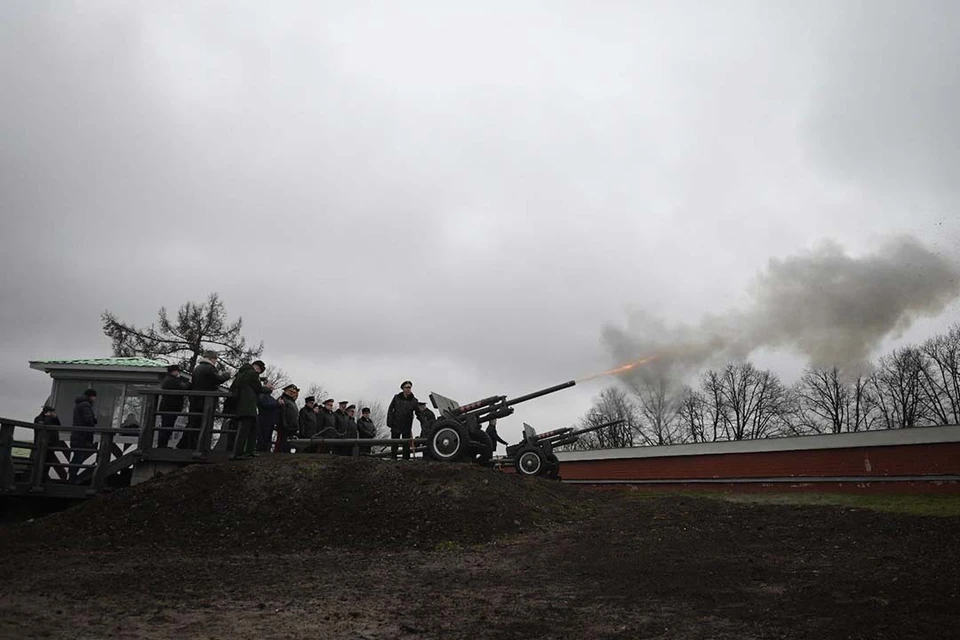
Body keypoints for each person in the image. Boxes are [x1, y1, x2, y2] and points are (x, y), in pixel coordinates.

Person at [183, 351, 230, 451]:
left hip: (195, 399)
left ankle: (185, 444)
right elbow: (217, 379)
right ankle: (199, 446)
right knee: (203, 423)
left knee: (193, 423)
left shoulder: (197, 368)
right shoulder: (209, 368)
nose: (216, 361)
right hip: (205, 401)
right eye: (215, 358)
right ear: (211, 358)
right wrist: (226, 375)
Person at [228, 360, 272, 458]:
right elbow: (258, 388)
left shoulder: (241, 374)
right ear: (256, 367)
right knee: (245, 431)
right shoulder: (252, 373)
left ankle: (249, 451)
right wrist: (268, 388)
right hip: (248, 406)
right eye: (259, 370)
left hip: (242, 405)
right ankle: (239, 453)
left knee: (252, 428)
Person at [157, 364, 189, 448]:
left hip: (168, 407)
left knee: (167, 426)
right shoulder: (172, 380)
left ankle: (162, 444)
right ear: (174, 371)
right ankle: (162, 445)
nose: (179, 373)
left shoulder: (168, 379)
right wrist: (189, 383)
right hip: (170, 407)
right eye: (178, 371)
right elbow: (183, 388)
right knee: (167, 427)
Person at [70, 389, 98, 480]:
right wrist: (93, 420)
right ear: (91, 396)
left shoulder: (79, 405)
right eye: (94, 396)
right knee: (79, 457)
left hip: (77, 435)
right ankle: (73, 477)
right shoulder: (86, 405)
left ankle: (72, 475)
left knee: (77, 456)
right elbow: (88, 420)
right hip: (82, 436)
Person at [387, 380, 418, 460]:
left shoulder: (414, 401)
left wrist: (424, 423)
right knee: (394, 444)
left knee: (406, 444)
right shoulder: (396, 398)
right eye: (407, 387)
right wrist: (390, 422)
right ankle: (393, 459)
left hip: (407, 426)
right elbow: (390, 409)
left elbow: (418, 413)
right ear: (403, 389)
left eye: (410, 387)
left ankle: (405, 459)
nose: (408, 389)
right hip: (396, 424)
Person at [33, 405, 61, 478]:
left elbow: (58, 425)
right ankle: (38, 477)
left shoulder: (52, 419)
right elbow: (45, 426)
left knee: (48, 462)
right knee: (40, 462)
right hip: (41, 444)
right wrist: (48, 417)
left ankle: (44, 477)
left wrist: (55, 417)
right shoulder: (39, 419)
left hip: (51, 444)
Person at [255, 383, 280, 453]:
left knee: (267, 438)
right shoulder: (261, 395)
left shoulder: (270, 397)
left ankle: (266, 451)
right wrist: (277, 404)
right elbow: (265, 405)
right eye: (270, 385)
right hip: (263, 420)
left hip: (270, 421)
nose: (272, 387)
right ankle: (260, 451)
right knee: (262, 438)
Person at [276, 384, 300, 453]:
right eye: (290, 391)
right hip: (284, 427)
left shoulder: (292, 401)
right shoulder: (283, 399)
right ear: (286, 391)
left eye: (294, 392)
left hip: (291, 428)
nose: (292, 393)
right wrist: (285, 425)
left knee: (287, 446)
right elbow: (282, 414)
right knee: (281, 445)